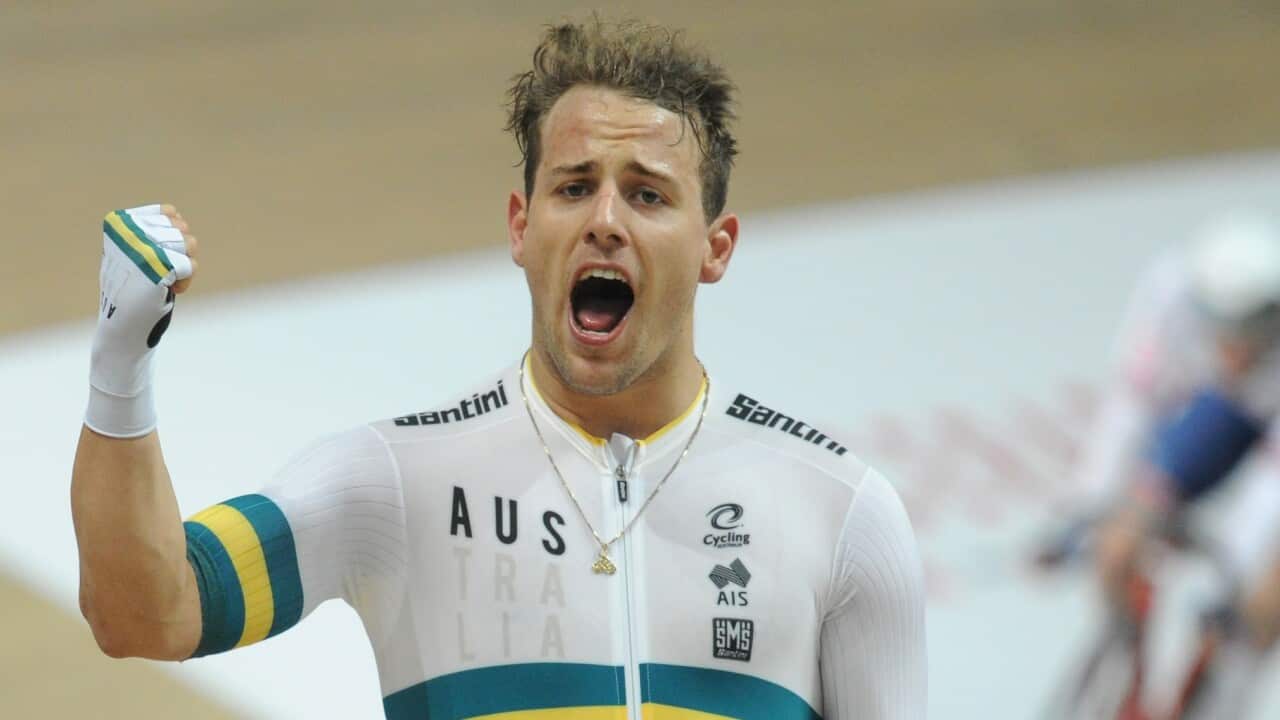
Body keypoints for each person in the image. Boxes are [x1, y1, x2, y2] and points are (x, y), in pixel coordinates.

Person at [71, 18, 926, 719]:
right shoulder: (390, 483)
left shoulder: (841, 511)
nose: (605, 220)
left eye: (649, 194)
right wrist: (121, 364)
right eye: (573, 185)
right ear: (521, 226)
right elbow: (145, 612)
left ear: (716, 246)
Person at [1049, 210, 1280, 717]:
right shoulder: (1168, 290)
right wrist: (1090, 504)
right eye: (1227, 334)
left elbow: (1272, 486)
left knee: (1262, 608)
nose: (1238, 351)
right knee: (1116, 545)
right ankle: (1123, 659)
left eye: (1255, 334)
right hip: (1213, 412)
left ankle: (1224, 697)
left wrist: (1236, 587)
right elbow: (1132, 404)